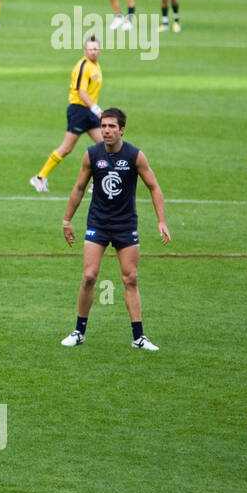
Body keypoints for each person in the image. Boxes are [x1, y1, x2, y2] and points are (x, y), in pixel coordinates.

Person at [59, 108, 170, 350]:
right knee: (89, 276)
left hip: (125, 224)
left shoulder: (135, 156)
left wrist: (161, 221)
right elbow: (78, 188)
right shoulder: (91, 155)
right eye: (103, 126)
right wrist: (67, 220)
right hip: (97, 223)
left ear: (121, 130)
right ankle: (79, 331)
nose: (106, 130)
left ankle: (139, 337)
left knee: (130, 278)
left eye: (111, 127)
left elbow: (154, 186)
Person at [30, 36, 104, 192]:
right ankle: (40, 177)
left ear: (100, 50)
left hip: (88, 111)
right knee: (67, 148)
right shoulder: (83, 66)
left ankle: (98, 182)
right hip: (79, 110)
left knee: (105, 146)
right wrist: (96, 109)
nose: (93, 52)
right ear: (85, 50)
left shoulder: (95, 65)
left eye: (95, 49)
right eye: (90, 49)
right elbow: (81, 91)